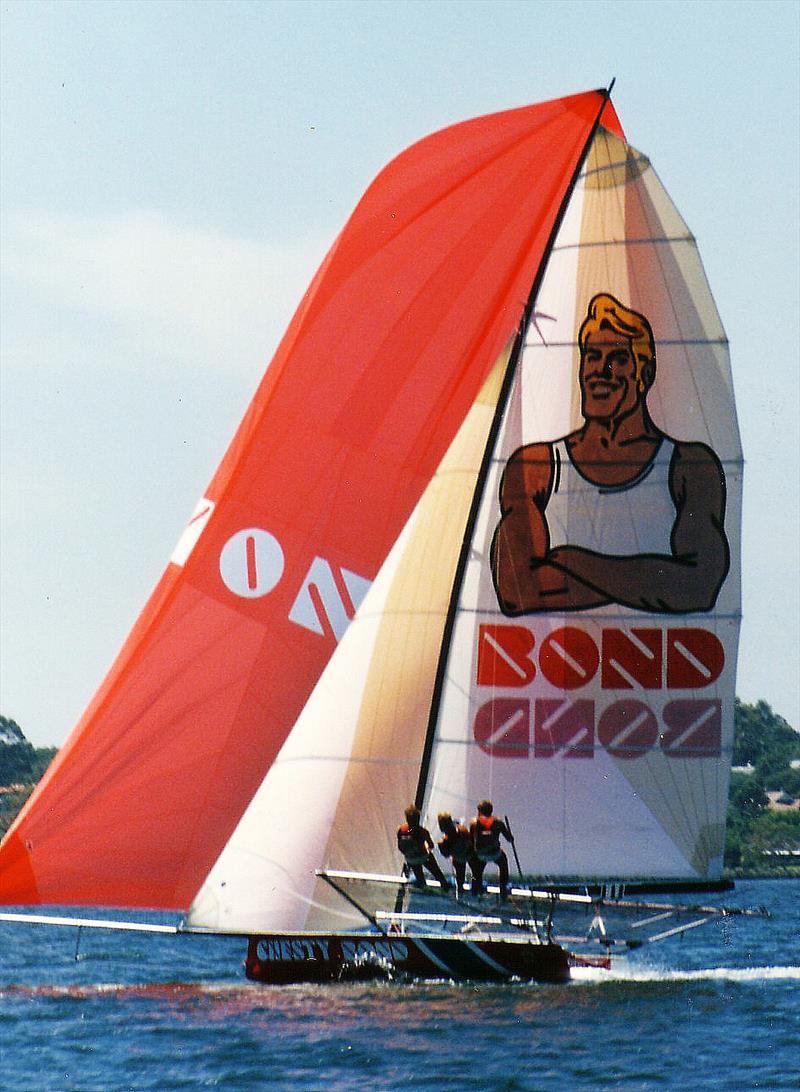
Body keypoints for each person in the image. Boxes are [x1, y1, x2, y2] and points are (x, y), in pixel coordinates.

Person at [491, 293, 730, 615]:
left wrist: (573, 561)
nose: (599, 371)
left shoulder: (690, 466)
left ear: (644, 376)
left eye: (617, 359)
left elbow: (699, 587)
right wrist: (651, 581)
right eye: (591, 357)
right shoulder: (536, 466)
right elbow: (516, 592)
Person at [397, 804, 450, 889]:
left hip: (411, 859)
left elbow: (400, 846)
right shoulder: (422, 831)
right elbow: (431, 845)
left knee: (419, 874)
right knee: (436, 871)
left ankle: (423, 886)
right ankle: (444, 884)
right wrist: (426, 847)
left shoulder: (400, 829)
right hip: (423, 856)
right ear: (418, 819)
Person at [469, 800, 514, 898]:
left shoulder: (473, 823)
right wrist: (511, 837)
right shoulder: (498, 822)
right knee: (503, 861)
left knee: (476, 870)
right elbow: (509, 838)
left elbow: (471, 840)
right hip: (495, 853)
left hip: (480, 855)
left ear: (479, 811)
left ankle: (475, 890)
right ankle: (503, 889)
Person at [436, 812, 480, 894]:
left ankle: (460, 890)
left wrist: (442, 847)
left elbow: (446, 854)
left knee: (460, 875)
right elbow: (471, 842)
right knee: (475, 872)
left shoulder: (444, 841)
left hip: (459, 858)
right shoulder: (462, 829)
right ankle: (475, 889)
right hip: (470, 855)